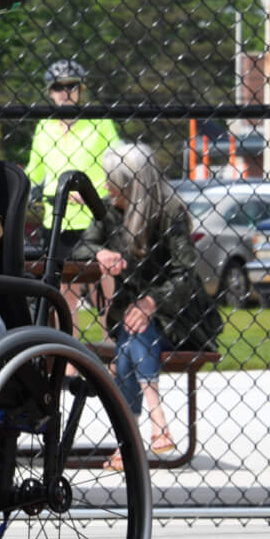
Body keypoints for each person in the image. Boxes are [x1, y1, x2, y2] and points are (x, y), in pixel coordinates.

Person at [94, 140, 218, 457]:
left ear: (133, 185)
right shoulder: (110, 213)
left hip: (177, 319)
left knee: (133, 329)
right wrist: (99, 252)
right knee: (134, 328)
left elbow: (187, 274)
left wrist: (151, 302)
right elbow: (82, 247)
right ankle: (155, 417)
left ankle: (127, 441)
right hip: (134, 320)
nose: (108, 186)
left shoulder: (171, 212)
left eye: (115, 181)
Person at [25, 59, 117, 250]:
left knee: (95, 274)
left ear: (80, 89)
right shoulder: (44, 126)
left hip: (95, 217)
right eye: (58, 87)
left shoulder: (100, 122)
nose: (65, 92)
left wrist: (95, 196)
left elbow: (118, 167)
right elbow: (34, 172)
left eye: (72, 86)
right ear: (50, 92)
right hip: (55, 219)